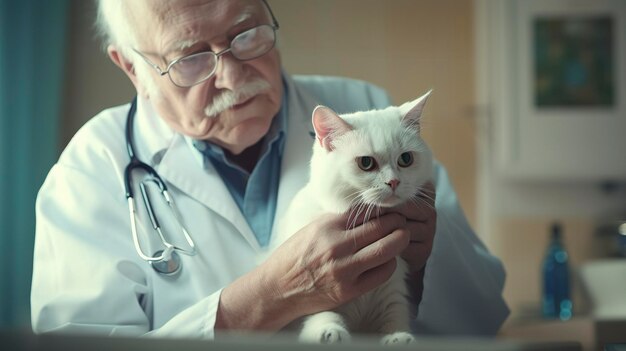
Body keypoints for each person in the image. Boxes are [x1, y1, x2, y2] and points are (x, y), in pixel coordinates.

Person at [31, 0, 509, 339]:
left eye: (246, 34)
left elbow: (482, 309)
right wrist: (265, 299)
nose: (233, 75)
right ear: (132, 68)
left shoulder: (367, 112)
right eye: (191, 57)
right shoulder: (92, 167)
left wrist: (420, 267)